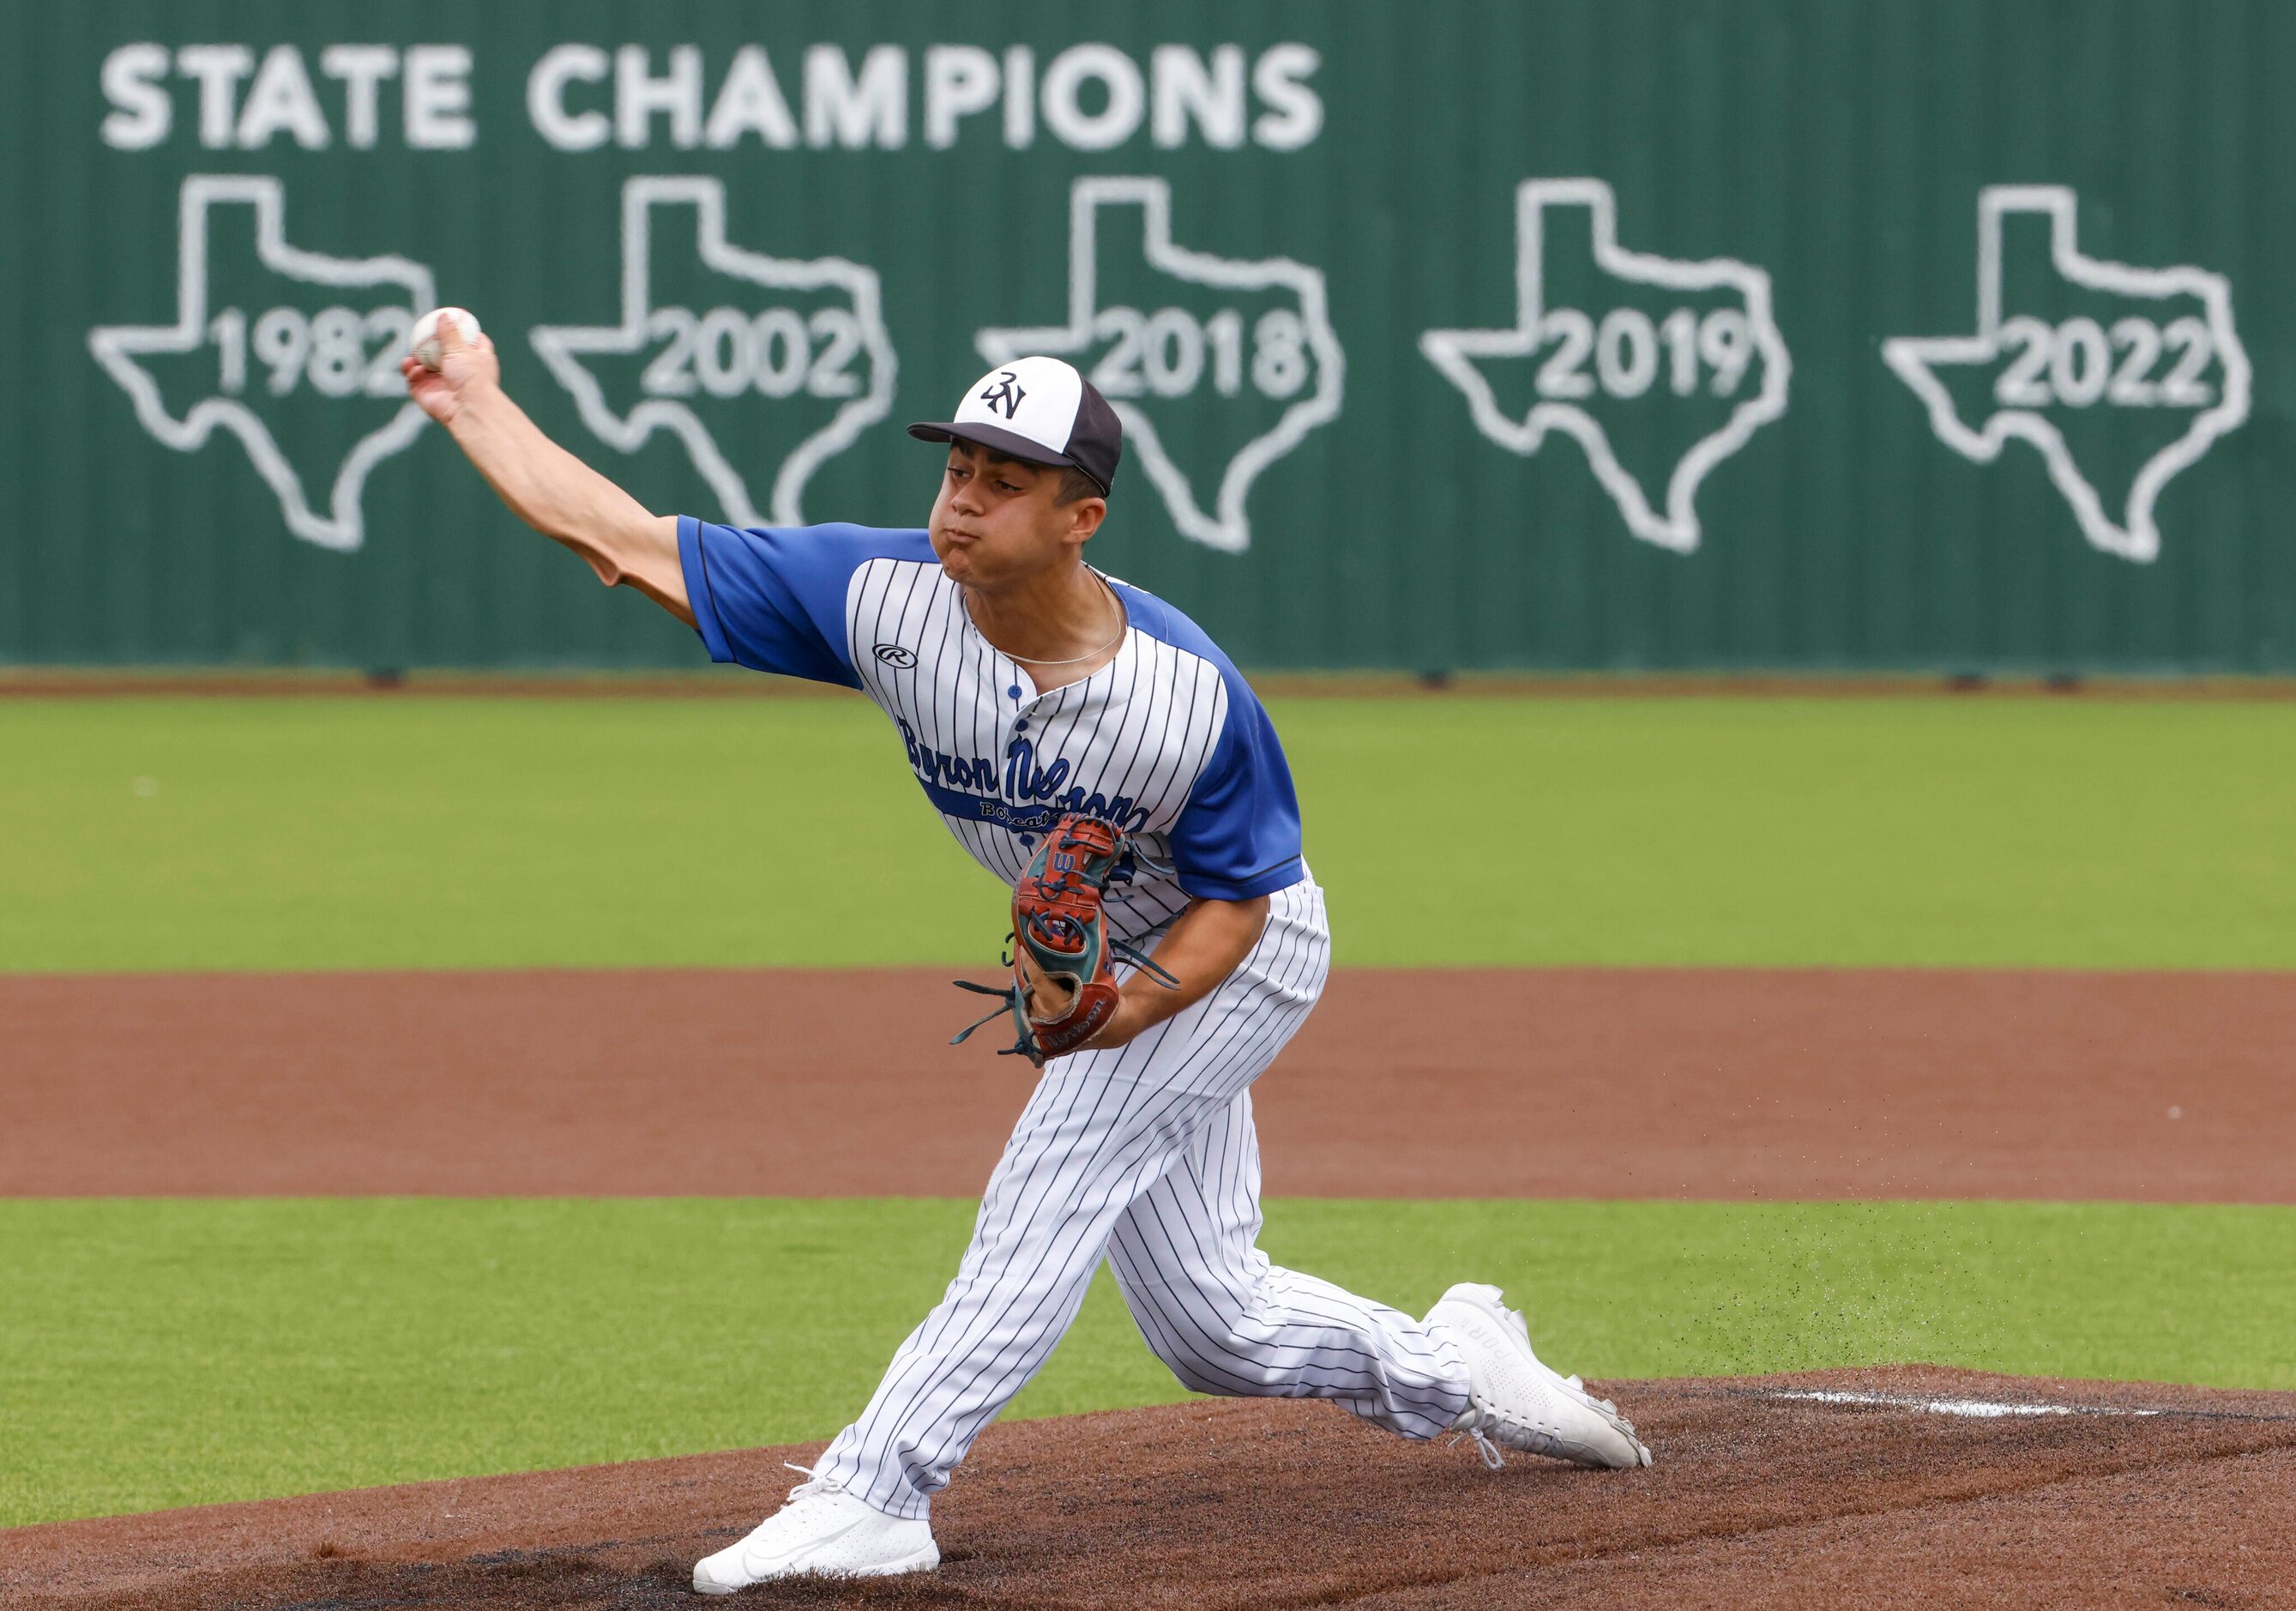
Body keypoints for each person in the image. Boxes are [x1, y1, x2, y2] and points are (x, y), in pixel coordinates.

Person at [403, 329, 1651, 1594]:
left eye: (1005, 481)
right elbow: (622, 537)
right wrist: (476, 405)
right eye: (957, 468)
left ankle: (878, 1490)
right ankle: (1461, 1365)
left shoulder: (1185, 696)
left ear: (1079, 516)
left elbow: (1238, 900)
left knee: (1051, 1183)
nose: (964, 499)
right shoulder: (877, 595)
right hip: (1113, 964)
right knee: (1211, 1325)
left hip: (1231, 951)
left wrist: (1122, 1012)